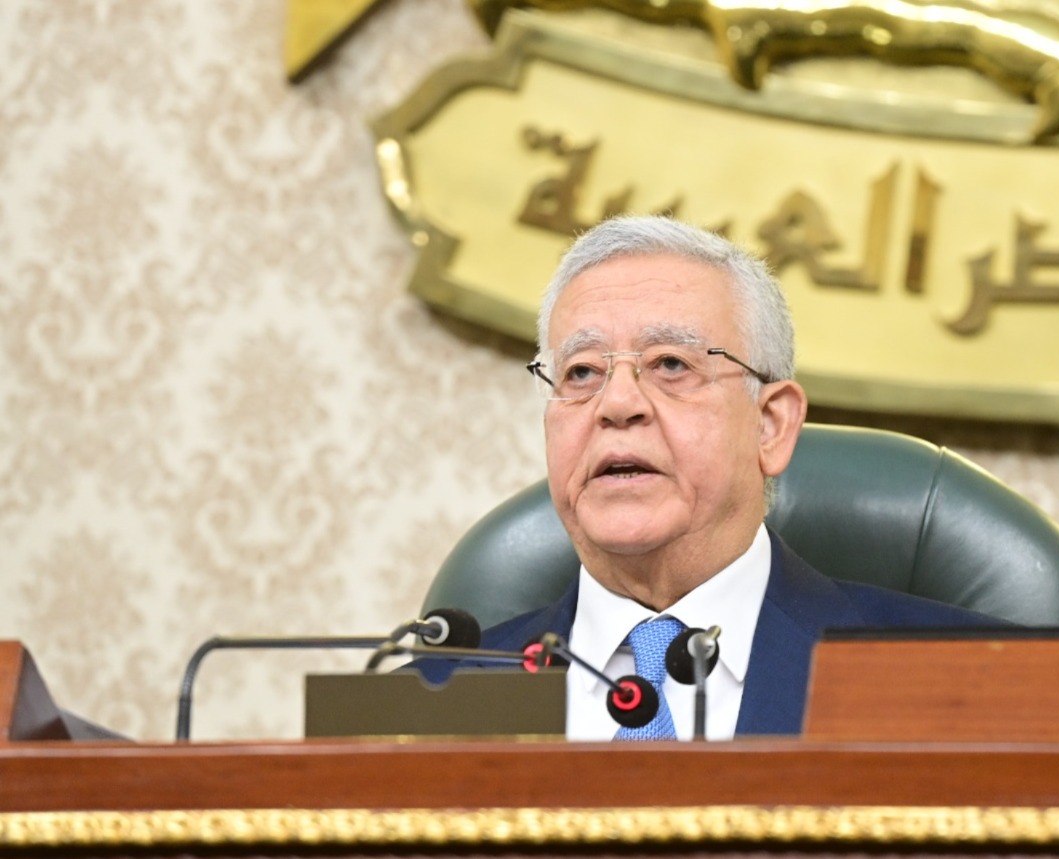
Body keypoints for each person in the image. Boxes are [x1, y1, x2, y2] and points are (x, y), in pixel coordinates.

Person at [418, 215, 1003, 739]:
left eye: (671, 364)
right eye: (581, 373)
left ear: (770, 425)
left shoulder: (969, 683)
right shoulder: (433, 705)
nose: (616, 403)